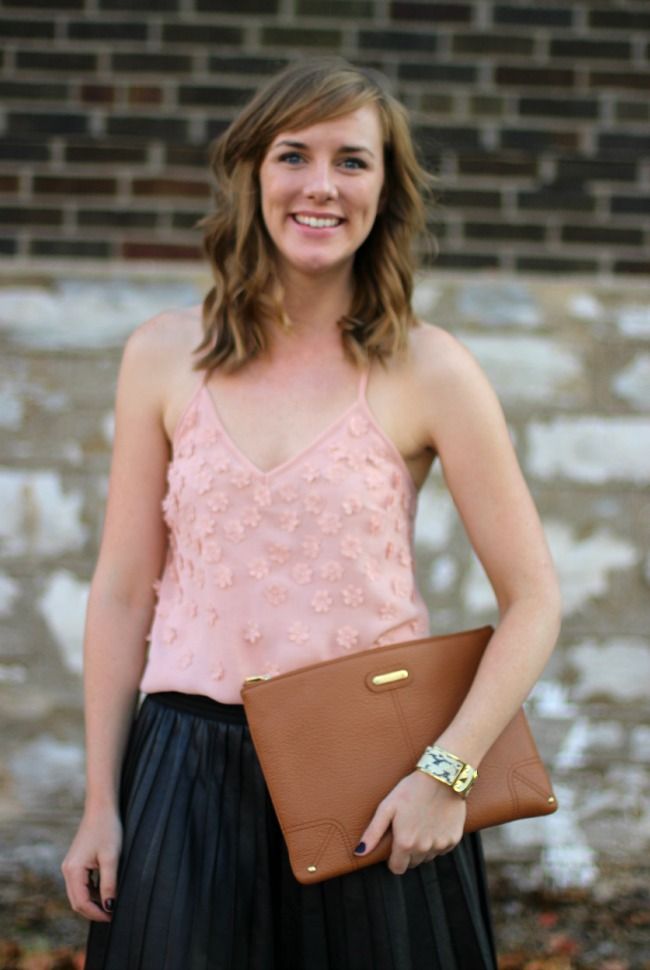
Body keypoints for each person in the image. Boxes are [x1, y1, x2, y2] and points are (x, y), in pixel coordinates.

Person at [61, 56, 561, 969]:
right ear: (253, 175)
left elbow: (534, 599)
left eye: (351, 160)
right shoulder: (164, 356)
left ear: (386, 189)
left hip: (375, 778)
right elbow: (124, 591)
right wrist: (100, 801)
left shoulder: (431, 369)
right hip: (181, 774)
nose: (320, 185)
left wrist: (446, 774)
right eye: (294, 155)